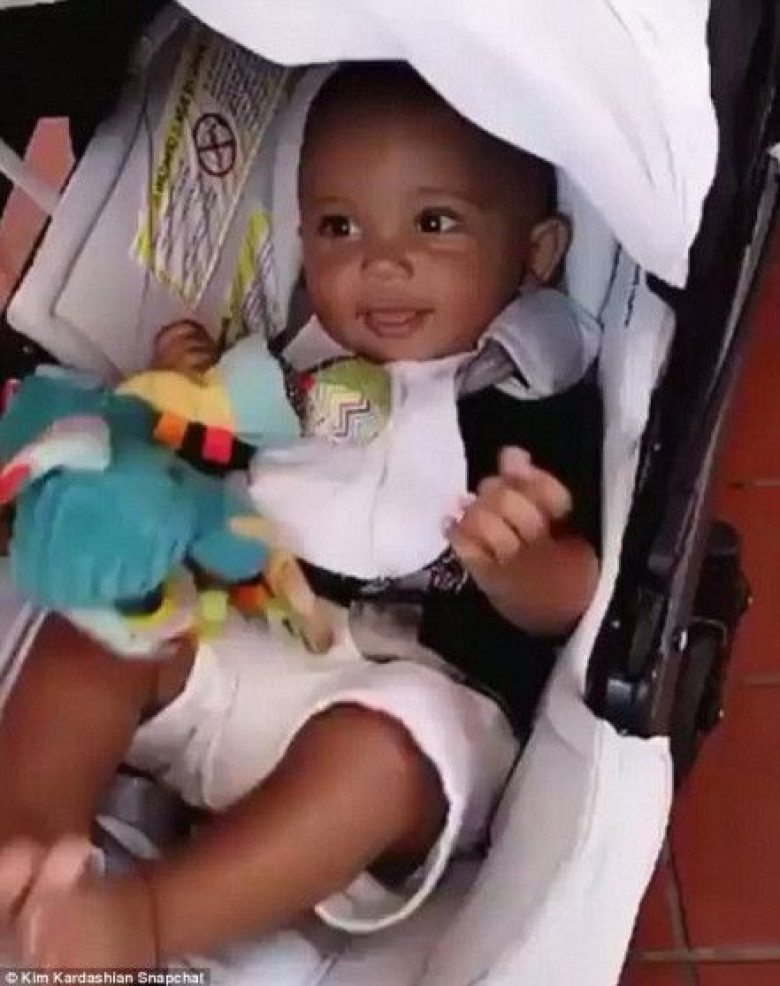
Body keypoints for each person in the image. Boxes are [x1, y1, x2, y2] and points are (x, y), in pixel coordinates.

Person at [0, 63, 601, 968]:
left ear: (538, 251)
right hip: (245, 638)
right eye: (339, 227)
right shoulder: (291, 371)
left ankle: (145, 920)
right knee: (103, 618)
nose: (380, 261)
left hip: (410, 695)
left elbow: (578, 597)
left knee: (383, 752)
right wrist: (189, 396)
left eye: (435, 223)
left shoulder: (531, 394)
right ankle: (28, 842)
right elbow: (205, 477)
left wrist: (524, 566)